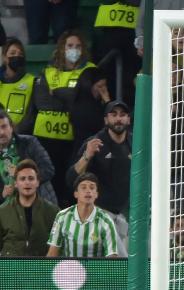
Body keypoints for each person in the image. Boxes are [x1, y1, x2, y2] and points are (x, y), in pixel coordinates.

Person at [20, 30, 97, 205]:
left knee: (68, 184)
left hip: (72, 138)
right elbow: (42, 102)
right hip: (45, 136)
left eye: (78, 46)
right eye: (69, 45)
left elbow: (82, 102)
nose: (74, 49)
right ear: (62, 48)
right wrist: (70, 95)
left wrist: (58, 93)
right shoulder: (48, 72)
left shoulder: (90, 69)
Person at [66, 100, 132, 255]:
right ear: (105, 120)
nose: (118, 119)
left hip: (125, 214)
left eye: (123, 115)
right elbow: (71, 179)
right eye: (113, 114)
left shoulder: (134, 142)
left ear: (129, 119)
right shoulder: (94, 143)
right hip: (100, 213)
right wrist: (87, 155)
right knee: (121, 259)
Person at [47, 172, 120, 258]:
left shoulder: (106, 221)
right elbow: (52, 253)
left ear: (96, 194)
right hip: (69, 271)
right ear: (76, 194)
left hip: (95, 271)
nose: (88, 191)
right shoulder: (62, 216)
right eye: (83, 187)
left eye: (92, 188)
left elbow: (112, 257)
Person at [0, 159, 59, 256]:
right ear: (16, 183)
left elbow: (58, 245)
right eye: (22, 179)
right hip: (10, 268)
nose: (27, 182)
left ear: (37, 182)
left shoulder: (53, 211)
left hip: (41, 268)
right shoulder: (2, 212)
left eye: (31, 178)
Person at [0, 109, 57, 205]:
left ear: (11, 127)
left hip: (40, 204)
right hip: (9, 210)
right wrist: (2, 195)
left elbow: (48, 170)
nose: (1, 132)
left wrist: (22, 175)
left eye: (4, 126)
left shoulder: (29, 142)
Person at [0, 38, 35, 128]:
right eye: (12, 53)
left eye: (20, 54)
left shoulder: (32, 81)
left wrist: (14, 131)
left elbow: (31, 114)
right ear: (4, 57)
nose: (17, 56)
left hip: (21, 135)